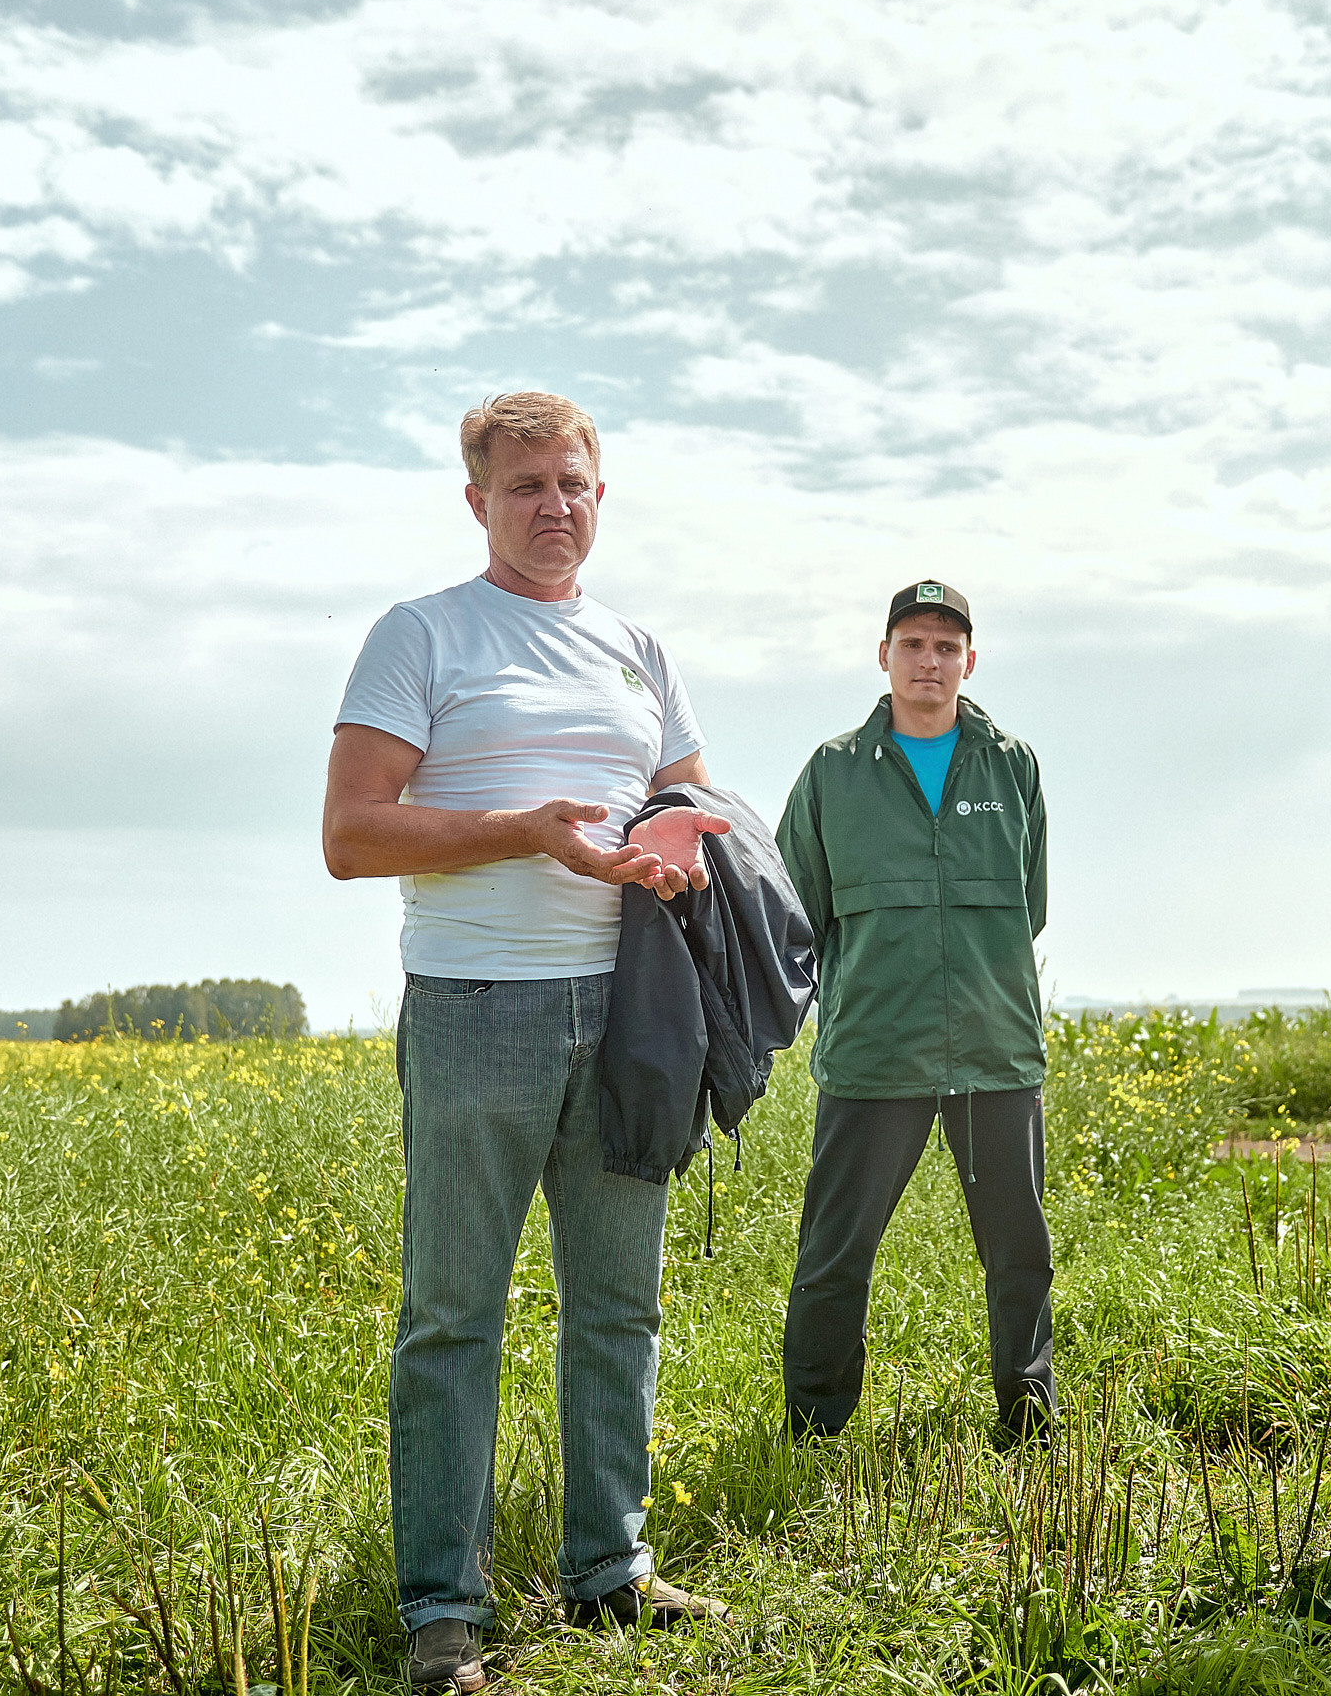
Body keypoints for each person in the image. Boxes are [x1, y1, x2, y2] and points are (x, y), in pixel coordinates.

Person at [323, 392, 733, 1693]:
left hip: (624, 1015)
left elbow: (689, 800)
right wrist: (530, 830)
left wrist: (674, 854)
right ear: (477, 501)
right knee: (454, 1315)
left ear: (603, 495)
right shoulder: (422, 633)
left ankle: (609, 1570)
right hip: (475, 1008)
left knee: (620, 1303)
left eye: (574, 482)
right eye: (525, 487)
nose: (554, 505)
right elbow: (350, 833)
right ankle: (444, 1613)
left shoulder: (638, 646)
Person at [776, 581, 1057, 1443]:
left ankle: (1030, 1423)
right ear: (884, 654)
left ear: (969, 660)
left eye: (946, 646)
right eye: (912, 643)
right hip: (873, 1053)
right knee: (834, 1255)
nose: (929, 660)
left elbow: (1030, 903)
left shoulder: (1012, 765)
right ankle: (815, 1430)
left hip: (994, 1053)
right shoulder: (832, 772)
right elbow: (796, 909)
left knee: (1020, 1256)